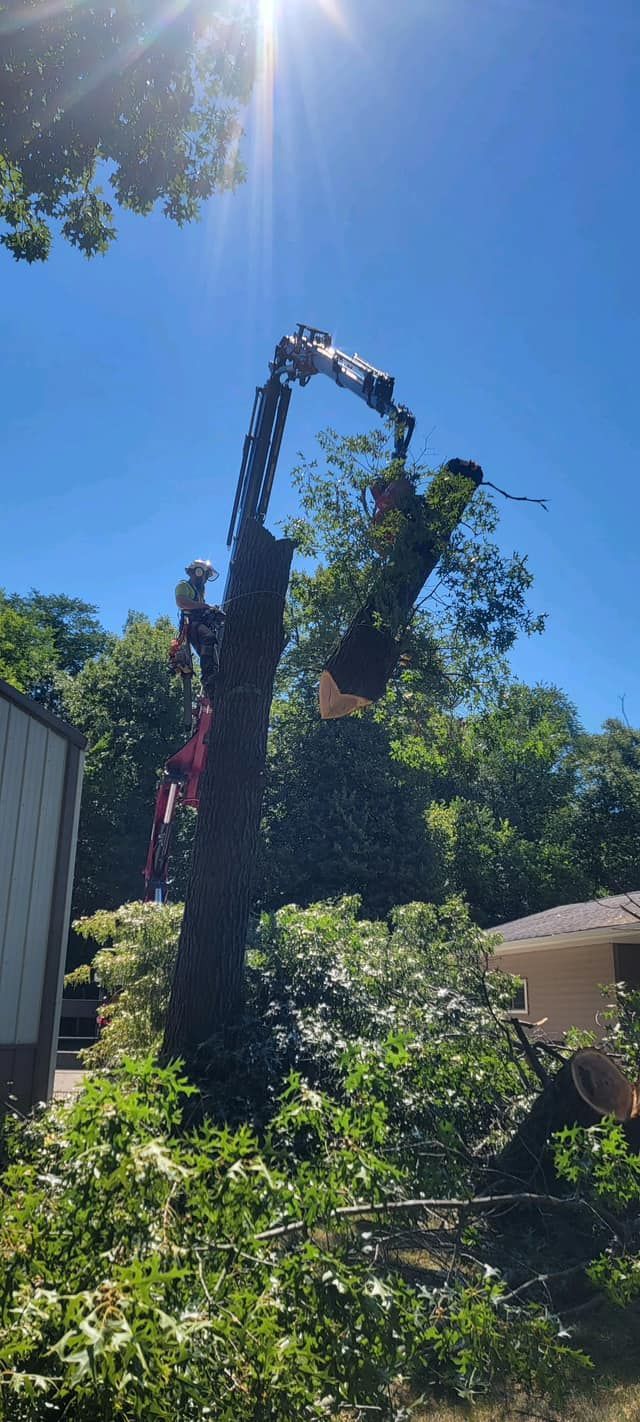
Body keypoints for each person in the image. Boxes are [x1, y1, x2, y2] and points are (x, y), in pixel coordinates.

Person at [174, 559, 225, 700]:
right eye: (205, 575)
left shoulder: (200, 592)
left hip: (199, 624)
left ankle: (213, 676)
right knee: (208, 638)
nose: (206, 580)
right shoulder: (184, 586)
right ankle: (208, 676)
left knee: (213, 645)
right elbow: (182, 602)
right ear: (197, 572)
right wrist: (204, 606)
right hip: (191, 624)